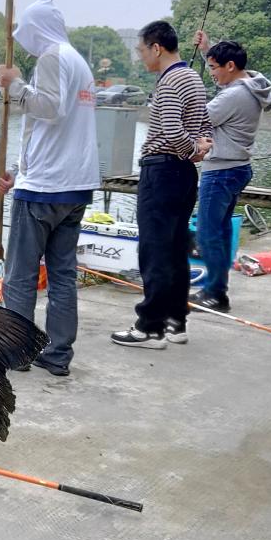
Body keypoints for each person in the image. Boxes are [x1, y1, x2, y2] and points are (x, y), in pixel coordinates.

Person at [0, 0, 100, 377]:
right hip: (74, 185)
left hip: (44, 189)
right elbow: (48, 132)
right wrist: (16, 171)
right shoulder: (78, 62)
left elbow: (50, 109)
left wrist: (15, 85)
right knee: (62, 275)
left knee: (20, 276)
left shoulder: (52, 58)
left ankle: (16, 351)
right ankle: (57, 353)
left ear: (36, 30)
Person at [111, 21, 212, 348]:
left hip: (162, 171)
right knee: (176, 249)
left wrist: (191, 149)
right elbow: (206, 124)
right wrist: (199, 147)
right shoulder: (194, 78)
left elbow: (171, 131)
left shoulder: (169, 82)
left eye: (141, 50)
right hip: (184, 175)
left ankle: (150, 327)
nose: (141, 56)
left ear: (157, 48)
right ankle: (175, 323)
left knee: (154, 249)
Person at [190, 30, 271, 311]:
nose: (211, 73)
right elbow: (222, 80)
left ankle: (215, 294)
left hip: (221, 172)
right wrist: (208, 50)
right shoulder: (251, 85)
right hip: (237, 168)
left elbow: (198, 118)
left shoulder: (234, 95)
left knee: (207, 234)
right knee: (222, 231)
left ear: (230, 66)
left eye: (214, 67)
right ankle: (218, 290)